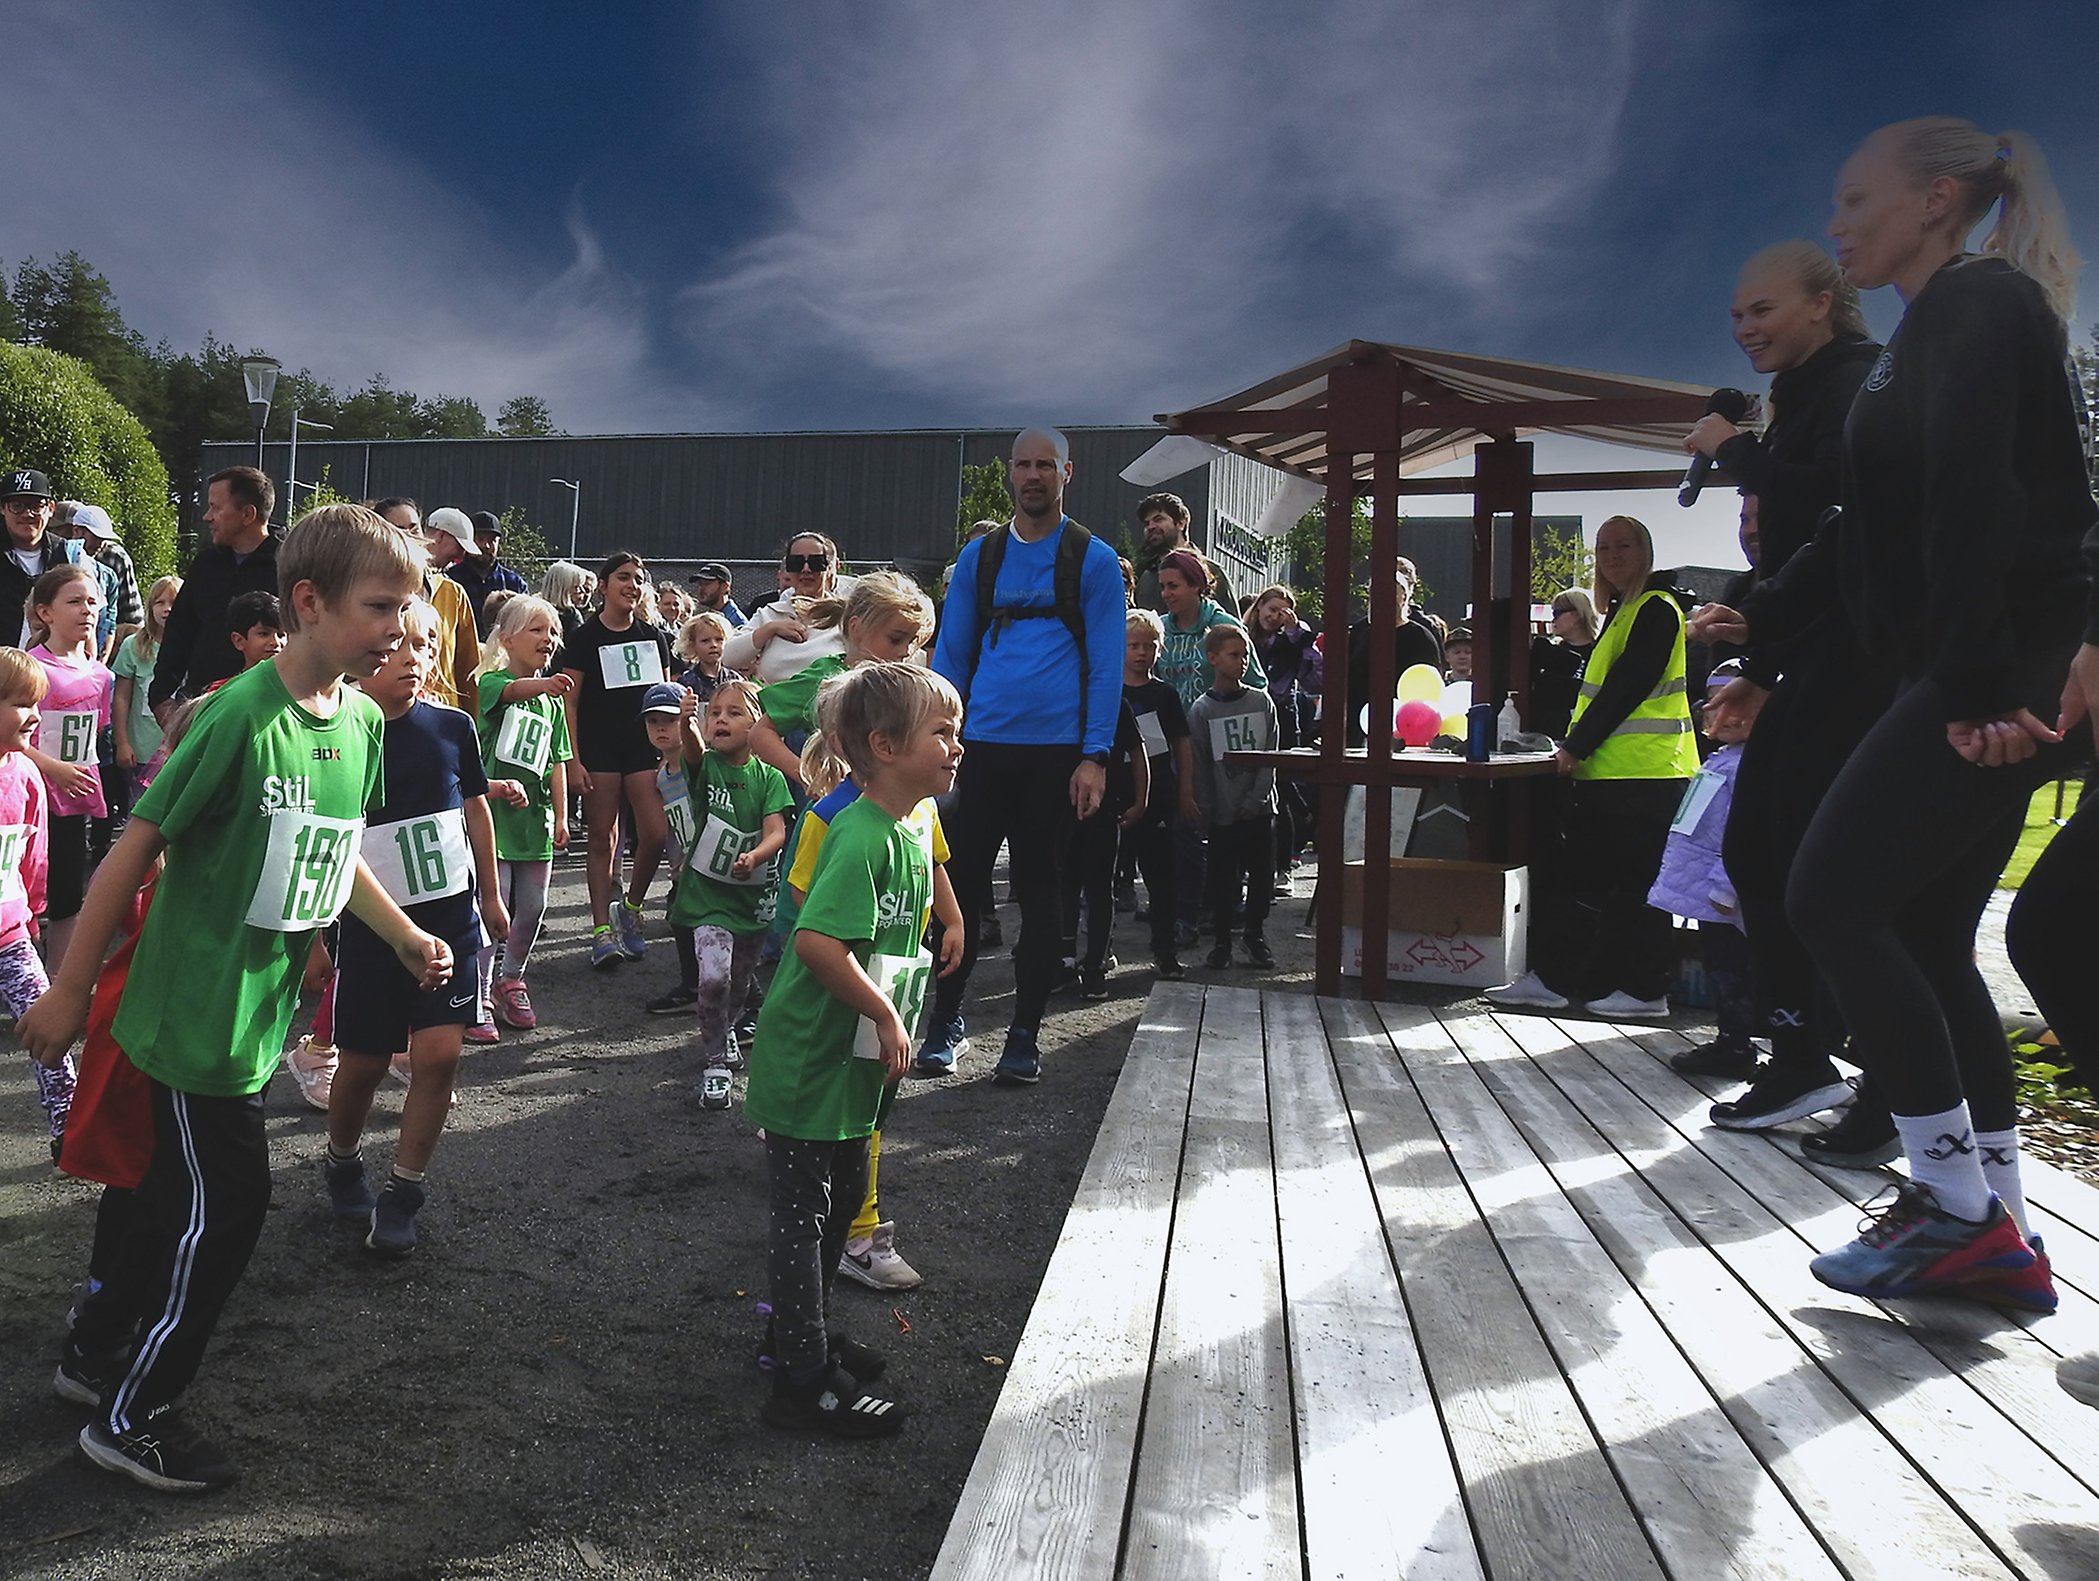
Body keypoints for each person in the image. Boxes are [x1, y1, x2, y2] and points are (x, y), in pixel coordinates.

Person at [1692, 118, 2091, 1308]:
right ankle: (1996, 1224)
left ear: (1932, 199)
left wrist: (1972, 685)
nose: (1837, 221)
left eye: (1854, 199)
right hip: (1978, 664)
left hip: (1996, 669)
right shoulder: (1933, 327)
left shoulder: (1974, 304)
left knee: (1828, 896)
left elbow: (1980, 494)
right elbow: (1866, 527)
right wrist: (1759, 615)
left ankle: (1949, 1205)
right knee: (1918, 934)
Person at [24, 503, 451, 1493]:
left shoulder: (353, 717)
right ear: (307, 602)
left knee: (155, 1195)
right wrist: (70, 991)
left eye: (410, 606)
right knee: (226, 1209)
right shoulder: (238, 714)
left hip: (254, 1021)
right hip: (188, 1024)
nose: (400, 626)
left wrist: (404, 935)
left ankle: (92, 1360)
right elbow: (135, 845)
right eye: (380, 604)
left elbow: (334, 855)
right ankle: (136, 1415)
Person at [1671, 243, 1897, 1148]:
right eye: (1736, 315)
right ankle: (1800, 1056)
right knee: (1763, 860)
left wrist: (1737, 454)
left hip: (1866, 662)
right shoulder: (1802, 392)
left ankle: (1889, 1088)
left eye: (1762, 310)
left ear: (1821, 304)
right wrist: (1757, 646)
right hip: (1809, 651)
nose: (1744, 328)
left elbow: (1847, 510)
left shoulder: (1855, 381)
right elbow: (1812, 541)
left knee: (1845, 884)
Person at [743, 661, 961, 1437]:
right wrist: (889, 1016)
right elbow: (817, 944)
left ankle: (797, 1335)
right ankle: (802, 1384)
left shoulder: (906, 827)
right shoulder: (857, 831)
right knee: (805, 1218)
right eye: (941, 732)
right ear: (884, 745)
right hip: (814, 1054)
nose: (955, 746)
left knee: (834, 1214)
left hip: (856, 1055)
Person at [927, 427, 1127, 1085]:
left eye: (1047, 464)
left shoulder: (1091, 559)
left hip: (1056, 754)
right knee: (954, 883)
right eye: (1024, 464)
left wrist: (1095, 754)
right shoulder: (980, 557)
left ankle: (1022, 1034)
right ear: (1009, 472)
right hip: (979, 748)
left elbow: (1105, 665)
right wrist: (940, 741)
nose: (1034, 475)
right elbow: (951, 656)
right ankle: (944, 1022)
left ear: (1066, 472)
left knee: (1040, 889)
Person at [322, 600, 512, 1254]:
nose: (414, 658)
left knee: (440, 1054)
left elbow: (475, 810)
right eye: (400, 644)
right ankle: (342, 1158)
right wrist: (317, 938)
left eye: (427, 645)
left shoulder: (452, 726)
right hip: (372, 932)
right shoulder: (339, 728)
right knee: (365, 1061)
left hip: (450, 923)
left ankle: (405, 1190)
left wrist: (490, 892)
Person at [1490, 515, 1697, 1017]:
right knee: (1588, 884)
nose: (1612, 556)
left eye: (1623, 545)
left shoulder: (1654, 608)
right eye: (1604, 548)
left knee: (1630, 887)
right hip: (1616, 773)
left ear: (1644, 550)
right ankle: (1564, 978)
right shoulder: (1625, 611)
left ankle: (1644, 989)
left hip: (1646, 775)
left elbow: (1628, 685)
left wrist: (1574, 746)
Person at [666, 680, 791, 1111]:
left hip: (751, 899)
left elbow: (777, 831)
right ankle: (715, 1061)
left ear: (756, 724)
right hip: (708, 898)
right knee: (713, 977)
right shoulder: (706, 767)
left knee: (738, 983)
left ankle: (728, 1028)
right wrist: (685, 720)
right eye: (715, 711)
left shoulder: (769, 778)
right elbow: (694, 749)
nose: (721, 718)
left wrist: (755, 856)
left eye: (734, 712)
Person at [558, 550, 674, 968]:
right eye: (623, 577)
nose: (632, 585)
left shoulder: (653, 636)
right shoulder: (585, 638)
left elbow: (665, 699)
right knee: (601, 837)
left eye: (638, 578)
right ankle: (599, 931)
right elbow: (569, 702)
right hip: (599, 749)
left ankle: (632, 908)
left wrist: (670, 751)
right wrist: (572, 758)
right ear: (603, 586)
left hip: (643, 749)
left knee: (655, 834)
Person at [1647, 663, 1763, 1077]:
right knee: (1721, 964)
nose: (1724, 716)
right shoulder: (1722, 759)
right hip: (1709, 893)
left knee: (1734, 968)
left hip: (1727, 896)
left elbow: (1750, 833)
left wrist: (1727, 886)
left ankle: (1738, 1043)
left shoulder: (1751, 767)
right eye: (1714, 706)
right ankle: (1733, 1038)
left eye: (1739, 706)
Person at [474, 595, 574, 1031]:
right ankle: (476, 993)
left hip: (537, 820)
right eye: (536, 630)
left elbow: (557, 762)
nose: (547, 639)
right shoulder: (492, 684)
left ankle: (510, 978)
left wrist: (565, 817)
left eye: (552, 632)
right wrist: (545, 685)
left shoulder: (553, 704)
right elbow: (514, 690)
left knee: (533, 908)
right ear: (509, 638)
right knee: (492, 908)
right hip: (495, 819)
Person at [749, 572, 936, 788]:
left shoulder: (904, 683)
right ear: (856, 629)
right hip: (839, 805)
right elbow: (760, 733)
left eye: (912, 641)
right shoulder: (826, 678)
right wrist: (806, 776)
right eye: (895, 639)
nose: (906, 651)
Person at [22, 565, 112, 973]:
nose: (86, 611)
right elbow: (11, 736)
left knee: (66, 894)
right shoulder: (30, 668)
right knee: (19, 890)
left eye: (92, 602)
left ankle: (57, 982)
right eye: (74, 602)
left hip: (75, 799)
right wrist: (51, 768)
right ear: (45, 613)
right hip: (26, 798)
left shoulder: (101, 675)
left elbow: (97, 736)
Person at [0, 648, 67, 1156]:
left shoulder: (25, 776)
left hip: (11, 934)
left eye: (37, 703)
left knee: (48, 1025)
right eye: (21, 703)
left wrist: (35, 911)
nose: (35, 715)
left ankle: (69, 1128)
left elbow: (33, 855)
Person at [150, 467, 280, 713]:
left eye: (215, 507)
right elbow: (179, 634)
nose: (207, 516)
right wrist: (161, 699)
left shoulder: (289, 566)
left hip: (268, 708)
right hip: (202, 707)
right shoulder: (205, 565)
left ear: (247, 514)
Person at [1187, 624, 1279, 970]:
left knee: (1261, 876)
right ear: (1213, 658)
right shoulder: (1202, 710)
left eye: (1245, 655)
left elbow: (1270, 756)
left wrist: (1256, 799)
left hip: (1259, 810)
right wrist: (1208, 808)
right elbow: (1199, 764)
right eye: (1233, 655)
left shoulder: (1261, 702)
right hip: (1224, 813)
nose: (1241, 662)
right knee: (1223, 880)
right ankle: (1223, 940)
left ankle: (1254, 935)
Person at [1119, 609, 1191, 981]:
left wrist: (1185, 791)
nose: (1141, 653)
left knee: (1161, 879)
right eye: (1133, 645)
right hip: (1114, 796)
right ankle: (1096, 953)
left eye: (1149, 646)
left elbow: (1181, 745)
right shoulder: (1108, 693)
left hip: (1159, 796)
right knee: (1103, 881)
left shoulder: (1164, 695)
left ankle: (1165, 949)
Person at [724, 533, 858, 684]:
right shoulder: (770, 613)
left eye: (816, 562)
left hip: (827, 703)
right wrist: (770, 629)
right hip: (774, 704)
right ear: (787, 568)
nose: (806, 569)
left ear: (829, 568)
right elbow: (728, 658)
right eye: (797, 562)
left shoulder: (845, 616)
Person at [1342, 557, 1443, 746]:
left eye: (1390, 593)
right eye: (1375, 593)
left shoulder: (1420, 636)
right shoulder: (1360, 632)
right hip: (1357, 729)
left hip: (1406, 729)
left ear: (1403, 597)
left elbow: (1431, 686)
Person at [1155, 550, 1267, 707]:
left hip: (1216, 725)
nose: (1166, 594)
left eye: (1173, 586)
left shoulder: (1225, 625)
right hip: (1173, 728)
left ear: (1196, 585)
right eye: (1162, 587)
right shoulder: (1160, 628)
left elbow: (1257, 684)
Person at [404, 505, 489, 710]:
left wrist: (470, 717)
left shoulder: (454, 594)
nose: (460, 557)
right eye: (459, 546)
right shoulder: (394, 585)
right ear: (440, 536)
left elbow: (467, 666)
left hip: (443, 711)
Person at [112, 576, 180, 795]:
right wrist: (122, 742)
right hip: (142, 750)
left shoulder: (196, 645)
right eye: (160, 603)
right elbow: (122, 697)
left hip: (182, 749)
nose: (167, 609)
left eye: (173, 602)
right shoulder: (134, 645)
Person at [1131, 492, 1237, 614]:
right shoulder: (1146, 577)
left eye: (1158, 519)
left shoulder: (1212, 571)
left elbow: (1234, 629)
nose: (1151, 527)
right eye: (1146, 523)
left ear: (1181, 523)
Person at [50, 502, 127, 659]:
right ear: (76, 530)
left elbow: (110, 622)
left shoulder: (108, 576)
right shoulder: (54, 566)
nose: (100, 544)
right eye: (96, 537)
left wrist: (102, 658)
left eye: (104, 539)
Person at [1529, 587, 1599, 739]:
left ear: (1575, 615)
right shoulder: (1549, 653)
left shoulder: (1600, 652)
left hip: (1583, 736)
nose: (1553, 619)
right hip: (1545, 735)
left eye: (1557, 613)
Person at [446, 510, 528, 635]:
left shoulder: (515, 583)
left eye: (492, 540)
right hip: (460, 650)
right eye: (480, 539)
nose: (487, 545)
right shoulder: (451, 579)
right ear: (470, 541)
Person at [674, 610, 742, 704]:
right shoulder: (687, 682)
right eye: (705, 641)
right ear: (692, 645)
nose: (713, 645)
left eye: (719, 640)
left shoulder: (735, 679)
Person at [223, 590, 286, 670]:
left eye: (281, 635)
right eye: (264, 634)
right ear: (239, 640)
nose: (276, 642)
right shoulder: (230, 683)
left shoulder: (303, 681)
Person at [540, 560, 596, 643]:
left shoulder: (531, 607)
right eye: (576, 586)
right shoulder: (572, 615)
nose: (581, 591)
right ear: (563, 588)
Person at [687, 560, 747, 627]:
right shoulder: (696, 616)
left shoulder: (737, 623)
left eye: (707, 584)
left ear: (725, 587)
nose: (701, 589)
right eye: (700, 584)